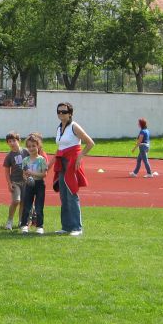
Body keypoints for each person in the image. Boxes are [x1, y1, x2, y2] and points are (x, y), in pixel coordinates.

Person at [52, 101, 94, 236]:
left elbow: (90, 143)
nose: (60, 114)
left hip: (71, 162)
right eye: (58, 111)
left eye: (63, 112)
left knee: (72, 194)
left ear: (70, 114)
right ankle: (66, 226)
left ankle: (77, 227)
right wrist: (49, 164)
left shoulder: (74, 127)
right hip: (62, 162)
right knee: (63, 195)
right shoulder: (59, 128)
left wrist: (80, 157)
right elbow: (59, 148)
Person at [19, 133, 48, 234]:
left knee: (39, 206)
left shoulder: (41, 159)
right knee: (27, 205)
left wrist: (32, 173)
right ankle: (24, 225)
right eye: (29, 146)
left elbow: (44, 174)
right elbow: (24, 174)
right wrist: (26, 178)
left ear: (38, 146)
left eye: (34, 146)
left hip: (39, 184)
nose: (31, 148)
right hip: (29, 185)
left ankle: (39, 226)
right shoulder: (25, 160)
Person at [3, 131, 25, 230]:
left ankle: (21, 221)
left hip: (26, 182)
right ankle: (9, 220)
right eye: (9, 141)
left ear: (19, 141)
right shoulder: (9, 156)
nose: (12, 143)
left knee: (23, 202)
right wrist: (9, 183)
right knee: (16, 200)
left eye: (14, 141)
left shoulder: (26, 152)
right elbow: (7, 172)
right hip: (15, 182)